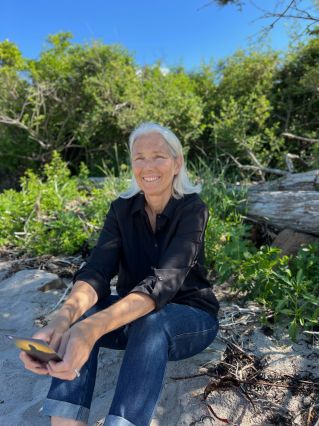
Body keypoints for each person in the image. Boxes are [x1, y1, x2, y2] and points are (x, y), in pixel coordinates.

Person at [20, 122, 219, 426]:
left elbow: (164, 283)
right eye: (139, 157)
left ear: (177, 163)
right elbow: (97, 271)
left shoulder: (193, 209)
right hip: (131, 316)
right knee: (80, 318)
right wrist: (62, 321)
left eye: (158, 156)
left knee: (150, 322)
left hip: (191, 318)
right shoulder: (121, 209)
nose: (147, 166)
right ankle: (65, 422)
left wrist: (93, 329)